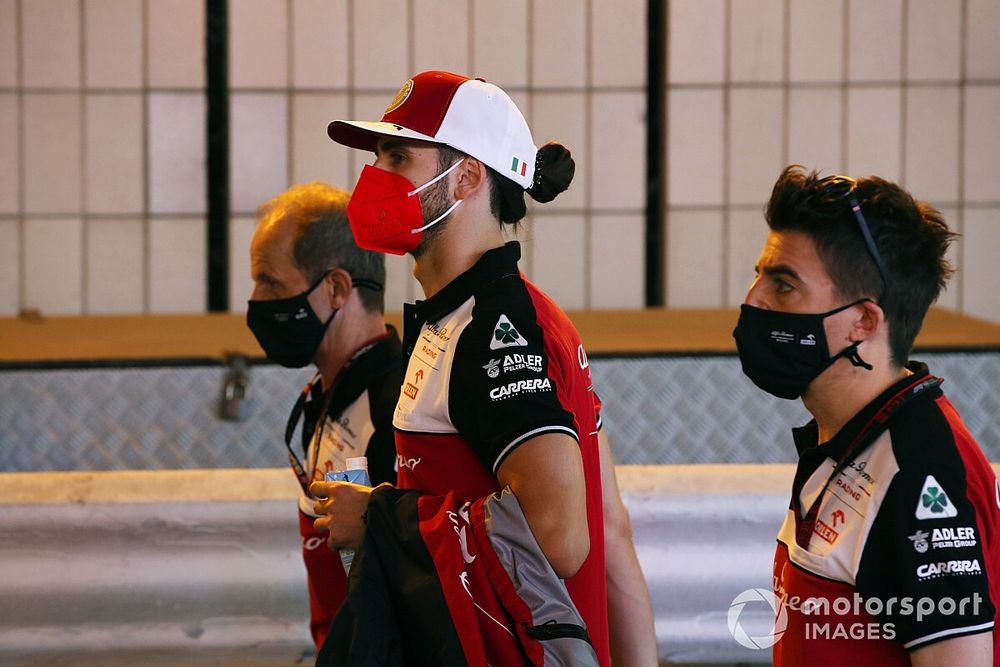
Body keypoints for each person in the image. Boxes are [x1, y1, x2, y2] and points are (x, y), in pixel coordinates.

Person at [309, 71, 656, 666]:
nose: (375, 177)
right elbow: (611, 531)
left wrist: (378, 519)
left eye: (397, 155)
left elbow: (560, 536)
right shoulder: (479, 314)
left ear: (467, 176)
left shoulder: (498, 327)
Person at [734, 165, 1000, 665]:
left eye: (783, 285)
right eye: (758, 277)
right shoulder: (849, 437)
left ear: (863, 321)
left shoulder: (919, 470)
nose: (752, 301)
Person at [245, 182, 402, 649]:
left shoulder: (399, 409)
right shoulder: (327, 393)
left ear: (335, 288)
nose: (255, 299)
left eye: (270, 281)